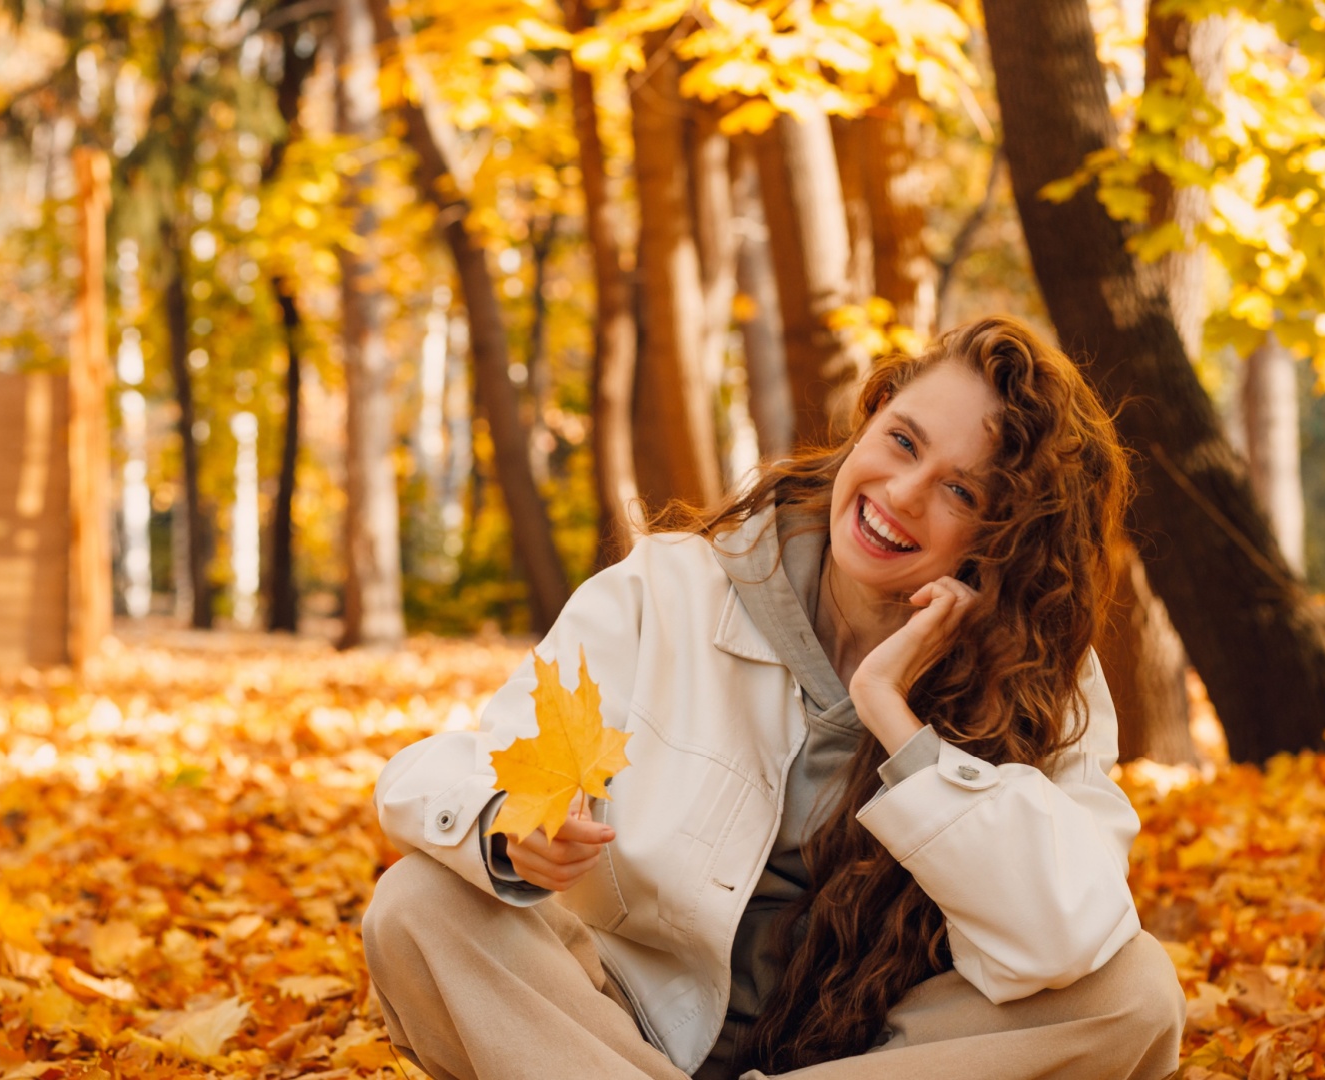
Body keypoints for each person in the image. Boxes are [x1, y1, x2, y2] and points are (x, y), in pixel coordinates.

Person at [363, 316, 1186, 1080]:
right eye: (901, 441)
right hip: (621, 1030)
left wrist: (897, 724)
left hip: (869, 1056)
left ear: (1003, 537)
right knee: (419, 905)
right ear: (867, 420)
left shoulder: (1041, 676)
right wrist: (510, 831)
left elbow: (1070, 929)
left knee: (1134, 995)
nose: (902, 494)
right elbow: (451, 771)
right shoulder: (672, 588)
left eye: (961, 493)